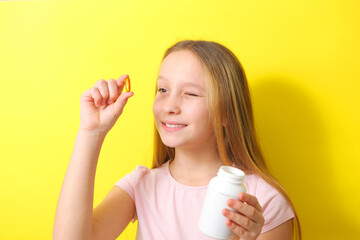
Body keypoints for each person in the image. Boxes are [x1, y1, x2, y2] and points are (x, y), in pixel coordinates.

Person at [53, 40, 301, 240]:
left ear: (227, 112)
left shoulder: (262, 201)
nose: (169, 106)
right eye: (163, 90)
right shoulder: (141, 185)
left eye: (190, 93)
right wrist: (90, 133)